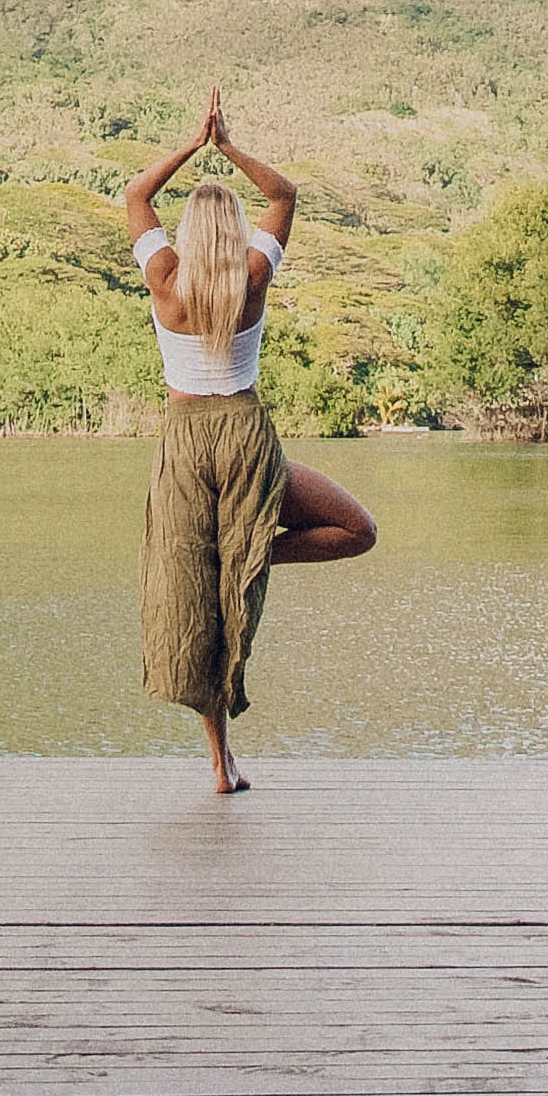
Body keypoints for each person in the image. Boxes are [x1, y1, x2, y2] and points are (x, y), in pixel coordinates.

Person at [123, 90, 377, 791]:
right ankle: (248, 553)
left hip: (183, 441)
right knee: (358, 530)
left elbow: (136, 193)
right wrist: (227, 146)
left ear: (187, 229)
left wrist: (189, 145)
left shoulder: (163, 277)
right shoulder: (253, 276)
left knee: (197, 597)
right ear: (232, 228)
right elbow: (285, 194)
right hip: (241, 434)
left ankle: (218, 761)